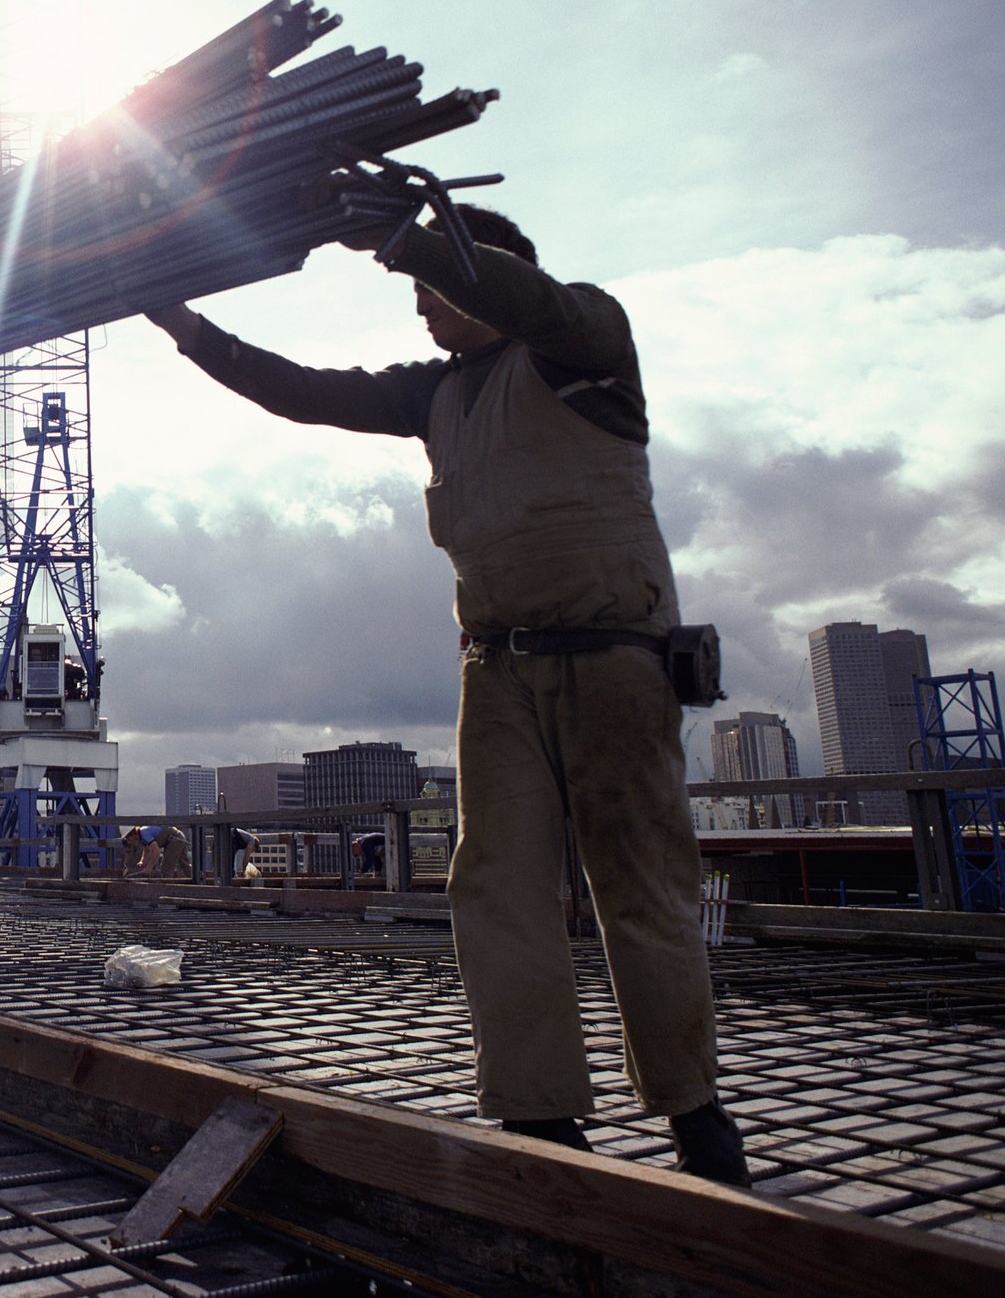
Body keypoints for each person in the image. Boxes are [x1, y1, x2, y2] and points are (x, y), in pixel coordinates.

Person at [144, 203, 748, 1185]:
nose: (422, 309)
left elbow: (527, 300)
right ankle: (541, 1112)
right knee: (495, 886)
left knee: (641, 886)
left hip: (612, 658)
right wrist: (185, 325)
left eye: (434, 289)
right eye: (417, 293)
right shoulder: (440, 394)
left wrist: (400, 238)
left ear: (488, 273)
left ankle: (695, 1112)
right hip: (496, 669)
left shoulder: (583, 340)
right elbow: (300, 391)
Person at [121, 824, 190, 879]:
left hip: (175, 839)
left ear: (133, 834)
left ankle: (166, 889)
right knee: (184, 864)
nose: (128, 840)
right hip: (178, 837)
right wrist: (143, 862)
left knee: (166, 868)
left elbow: (156, 851)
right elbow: (147, 850)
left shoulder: (144, 833)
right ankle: (198, 881)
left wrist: (149, 868)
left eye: (128, 838)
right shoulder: (141, 837)